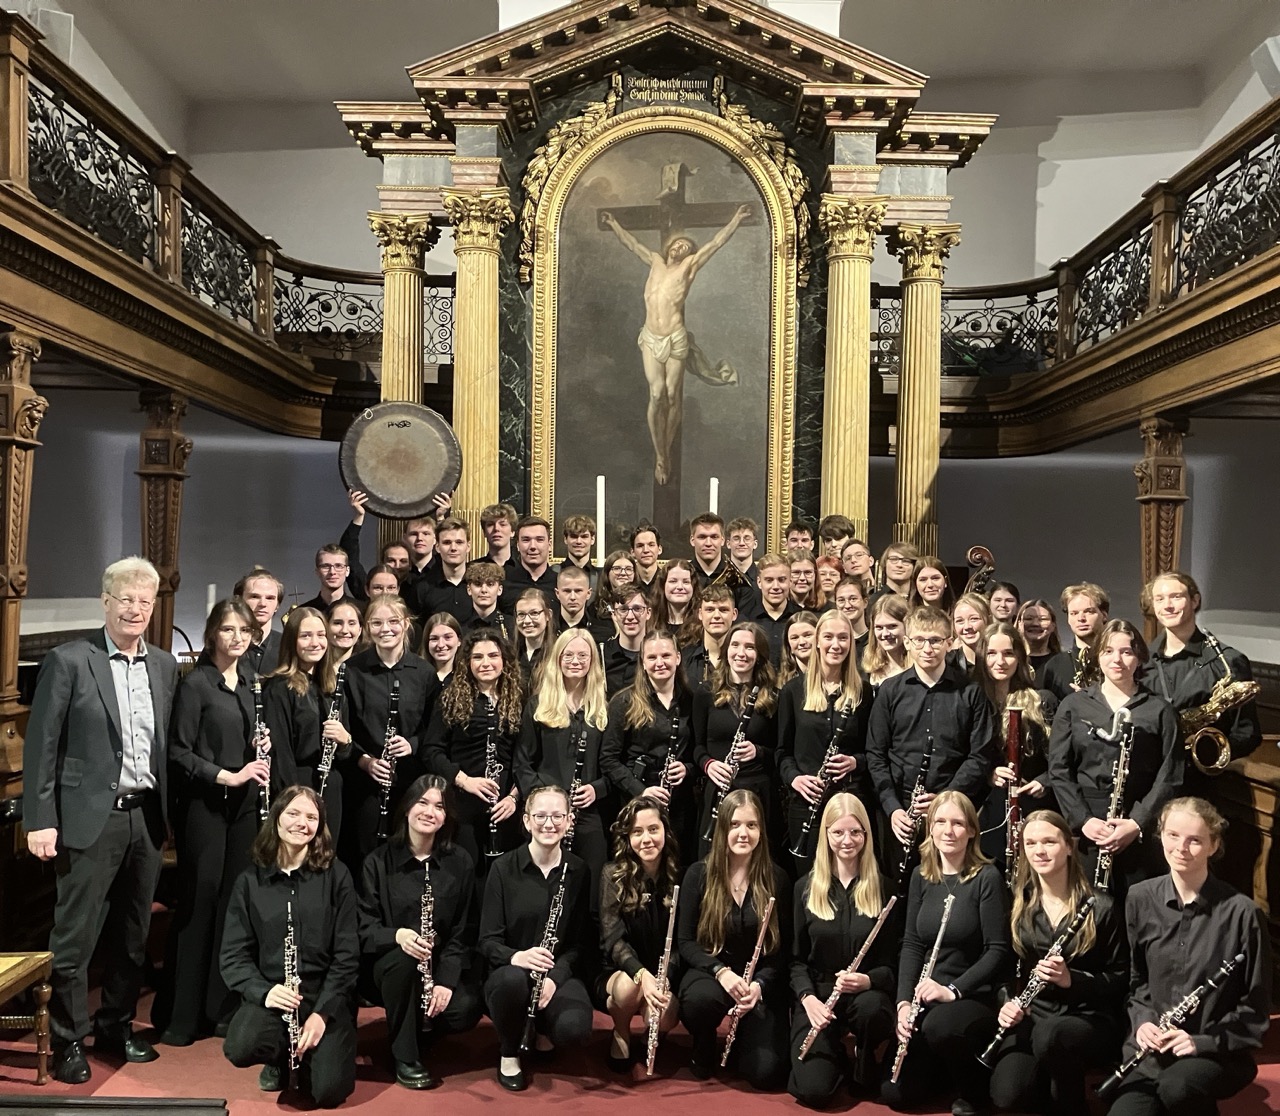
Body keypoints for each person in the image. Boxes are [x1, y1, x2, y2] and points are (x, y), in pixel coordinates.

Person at [23, 557, 177, 1083]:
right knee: (76, 936)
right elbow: (41, 745)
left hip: (145, 820)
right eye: (126, 599)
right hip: (89, 821)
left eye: (144, 601)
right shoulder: (70, 660)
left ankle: (115, 1026)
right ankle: (68, 1038)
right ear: (106, 602)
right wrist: (38, 819)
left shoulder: (163, 663)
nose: (135, 609)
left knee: (133, 934)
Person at [1107, 797, 1271, 1116]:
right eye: (1172, 835)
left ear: (1214, 845)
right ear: (1160, 836)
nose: (1181, 847)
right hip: (1151, 1050)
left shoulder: (1243, 913)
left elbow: (1256, 1006)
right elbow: (1136, 984)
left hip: (1216, 1051)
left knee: (1178, 1089)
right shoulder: (1139, 898)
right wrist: (1143, 1024)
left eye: (1195, 840)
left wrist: (1200, 1042)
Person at [157, 598, 267, 1047]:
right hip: (204, 807)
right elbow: (179, 752)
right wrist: (229, 774)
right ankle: (181, 1016)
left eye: (243, 630)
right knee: (199, 904)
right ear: (212, 634)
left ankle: (219, 1009)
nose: (236, 637)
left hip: (242, 809)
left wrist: (260, 748)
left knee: (231, 907)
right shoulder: (196, 684)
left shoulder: (249, 684)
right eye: (228, 629)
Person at [220, 785, 359, 1107]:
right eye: (293, 813)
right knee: (240, 1046)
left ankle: (317, 1052)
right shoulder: (250, 881)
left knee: (328, 1093)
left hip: (326, 995)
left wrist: (322, 1013)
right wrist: (264, 992)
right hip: (276, 993)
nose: (302, 823)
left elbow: (347, 955)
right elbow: (233, 955)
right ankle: (280, 1055)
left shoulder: (337, 875)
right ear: (276, 818)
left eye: (312, 817)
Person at [986, 810, 1126, 1114]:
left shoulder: (1101, 906)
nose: (1039, 850)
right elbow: (1003, 970)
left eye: (1049, 841)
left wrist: (1071, 980)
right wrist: (1007, 1000)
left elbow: (1120, 980)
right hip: (1035, 1015)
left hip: (1088, 1018)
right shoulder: (1017, 903)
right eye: (1031, 843)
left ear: (1068, 846)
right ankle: (1049, 1081)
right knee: (1008, 1095)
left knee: (1053, 1037)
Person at [600, 204, 753, 484]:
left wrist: (735, 220)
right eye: (678, 244)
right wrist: (613, 225)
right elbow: (632, 244)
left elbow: (716, 242)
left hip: (675, 337)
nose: (680, 248)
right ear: (669, 246)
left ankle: (663, 455)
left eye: (685, 246)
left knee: (672, 395)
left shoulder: (689, 267)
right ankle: (661, 453)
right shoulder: (655, 262)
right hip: (650, 336)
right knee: (656, 394)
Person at [882, 790, 1012, 1114]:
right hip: (927, 997)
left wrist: (952, 990)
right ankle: (944, 1067)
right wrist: (902, 1004)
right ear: (930, 827)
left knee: (940, 1027)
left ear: (971, 831)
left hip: (971, 995)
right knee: (895, 1095)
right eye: (940, 821)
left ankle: (974, 1088)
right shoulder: (921, 876)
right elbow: (912, 943)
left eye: (957, 823)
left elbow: (997, 951)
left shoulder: (987, 877)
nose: (948, 830)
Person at [357, 774, 483, 1090]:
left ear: (447, 816)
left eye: (439, 807)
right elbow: (364, 929)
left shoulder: (460, 862)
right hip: (388, 967)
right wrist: (397, 936)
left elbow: (461, 930)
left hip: (436, 969)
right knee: (402, 963)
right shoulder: (378, 861)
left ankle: (419, 1024)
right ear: (407, 807)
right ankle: (406, 1058)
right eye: (422, 802)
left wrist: (445, 981)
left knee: (464, 1010)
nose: (430, 812)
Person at [1047, 618, 1182, 897]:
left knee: (1139, 912)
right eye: (1108, 651)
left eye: (1126, 652)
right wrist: (1083, 820)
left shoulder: (1160, 710)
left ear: (1139, 657)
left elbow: (1171, 772)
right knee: (1089, 913)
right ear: (1098, 655)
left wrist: (1136, 822)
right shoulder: (1074, 705)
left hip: (1140, 826)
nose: (1117, 659)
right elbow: (1059, 769)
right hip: (1088, 829)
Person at [866, 606, 996, 891]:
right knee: (897, 893)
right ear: (908, 643)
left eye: (936, 640)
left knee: (948, 889)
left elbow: (979, 756)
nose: (928, 648)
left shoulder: (971, 692)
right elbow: (876, 754)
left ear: (950, 642)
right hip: (902, 811)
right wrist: (892, 809)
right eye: (920, 640)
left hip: (952, 813)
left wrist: (946, 799)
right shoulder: (890, 690)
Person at [478, 785, 593, 1090]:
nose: (549, 823)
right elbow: (487, 940)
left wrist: (555, 977)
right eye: (540, 815)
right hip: (510, 973)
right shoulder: (503, 868)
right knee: (511, 982)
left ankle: (542, 1027)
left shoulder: (579, 870)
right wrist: (517, 957)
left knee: (575, 1029)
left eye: (558, 816)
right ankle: (509, 1051)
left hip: (555, 974)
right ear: (527, 821)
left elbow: (580, 944)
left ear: (569, 821)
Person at [677, 788, 791, 1088]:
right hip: (712, 975)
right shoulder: (698, 875)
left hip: (758, 982)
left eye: (751, 825)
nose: (743, 833)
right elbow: (686, 942)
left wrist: (760, 985)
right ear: (722, 828)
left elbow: (782, 951)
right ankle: (703, 1041)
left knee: (766, 1074)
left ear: (761, 831)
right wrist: (721, 972)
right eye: (735, 824)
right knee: (699, 1002)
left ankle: (744, 1035)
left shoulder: (777, 879)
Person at [788, 793, 896, 1106]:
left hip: (865, 997)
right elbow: (795, 961)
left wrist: (869, 980)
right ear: (826, 835)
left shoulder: (885, 889)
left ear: (866, 835)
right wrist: (808, 999)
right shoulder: (804, 889)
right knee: (814, 1091)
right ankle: (834, 1051)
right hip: (819, 996)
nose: (847, 840)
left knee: (873, 1009)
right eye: (838, 832)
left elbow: (893, 962)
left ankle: (866, 1051)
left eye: (855, 832)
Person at [515, 631, 611, 905]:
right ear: (557, 659)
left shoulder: (603, 706)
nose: (575, 661)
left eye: (583, 655)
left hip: (587, 812)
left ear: (593, 660)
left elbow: (615, 762)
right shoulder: (538, 705)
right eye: (568, 655)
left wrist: (598, 788)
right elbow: (522, 763)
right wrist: (547, 799)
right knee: (544, 889)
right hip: (547, 815)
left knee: (592, 891)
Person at [1142, 570, 1262, 786]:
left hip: (1203, 784)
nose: (1167, 605)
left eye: (1176, 597)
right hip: (1149, 781)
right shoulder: (1141, 662)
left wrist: (1210, 751)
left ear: (1195, 600)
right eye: (1159, 599)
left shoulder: (1228, 661)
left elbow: (1248, 732)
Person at [340, 595, 431, 865]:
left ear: (406, 624)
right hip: (365, 782)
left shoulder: (423, 671)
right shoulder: (352, 670)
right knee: (366, 855)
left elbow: (435, 730)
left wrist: (413, 744)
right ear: (367, 627)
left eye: (393, 621)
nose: (386, 629)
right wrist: (365, 761)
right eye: (376, 623)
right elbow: (345, 729)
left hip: (410, 781)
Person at [778, 610, 870, 874]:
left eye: (843, 637)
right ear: (817, 640)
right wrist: (795, 778)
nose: (835, 644)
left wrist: (855, 762)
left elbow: (874, 752)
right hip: (806, 802)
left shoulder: (864, 692)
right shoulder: (793, 691)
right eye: (828, 636)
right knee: (807, 880)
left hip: (850, 800)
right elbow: (782, 752)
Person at [425, 629, 526, 867]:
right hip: (463, 804)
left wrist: (513, 797)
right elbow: (431, 751)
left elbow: (528, 756)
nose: (486, 663)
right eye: (477, 657)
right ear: (467, 662)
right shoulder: (451, 697)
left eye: (493, 655)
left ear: (504, 660)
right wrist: (465, 781)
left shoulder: (521, 698)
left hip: (507, 806)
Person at [598, 795, 683, 1072]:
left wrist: (664, 978)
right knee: (627, 988)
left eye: (653, 829)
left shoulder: (678, 877)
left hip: (662, 972)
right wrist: (642, 974)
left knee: (666, 1012)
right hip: (620, 970)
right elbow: (613, 939)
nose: (646, 839)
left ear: (664, 832)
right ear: (628, 838)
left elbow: (683, 942)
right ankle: (621, 1031)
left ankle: (653, 1032)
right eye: (637, 832)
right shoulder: (613, 875)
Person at [600, 630, 696, 853]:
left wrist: (687, 769)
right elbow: (608, 759)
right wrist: (641, 791)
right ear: (642, 662)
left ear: (678, 658)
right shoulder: (624, 702)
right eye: (652, 658)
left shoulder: (692, 700)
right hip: (636, 801)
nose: (659, 663)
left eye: (666, 656)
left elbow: (697, 753)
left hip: (679, 802)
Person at [264, 606, 350, 841]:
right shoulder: (279, 688)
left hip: (330, 787)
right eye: (306, 636)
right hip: (296, 789)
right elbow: (280, 754)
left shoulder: (332, 687)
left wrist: (345, 740)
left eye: (321, 635)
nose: (315, 642)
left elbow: (345, 754)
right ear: (292, 641)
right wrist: (295, 803)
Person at [693, 622, 779, 855]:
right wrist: (709, 765)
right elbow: (697, 747)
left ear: (759, 654)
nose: (741, 653)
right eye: (735, 645)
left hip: (758, 791)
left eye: (749, 647)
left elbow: (781, 752)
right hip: (719, 788)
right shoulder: (705, 692)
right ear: (726, 649)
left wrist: (758, 751)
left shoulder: (772, 695)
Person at [977, 621, 1058, 865]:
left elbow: (1060, 758)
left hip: (1032, 806)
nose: (1000, 661)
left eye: (1008, 653)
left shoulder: (1042, 700)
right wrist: (988, 774)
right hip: (987, 810)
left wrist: (1044, 781)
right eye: (991, 653)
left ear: (1020, 657)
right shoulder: (972, 701)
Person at [1042, 582, 1109, 699]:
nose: (1081, 618)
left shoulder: (1118, 660)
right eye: (1074, 613)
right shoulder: (1055, 665)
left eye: (1089, 611)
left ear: (1104, 615)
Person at [410, 516, 471, 623]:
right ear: (437, 547)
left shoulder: (480, 584)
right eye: (447, 542)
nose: (453, 548)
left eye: (459, 542)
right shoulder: (422, 587)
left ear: (468, 546)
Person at [741, 553, 798, 665]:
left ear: (790, 582)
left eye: (781, 580)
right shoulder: (746, 620)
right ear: (759, 582)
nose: (775, 586)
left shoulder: (801, 619)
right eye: (769, 580)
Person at [681, 584, 738, 690]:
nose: (716, 616)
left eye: (723, 610)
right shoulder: (684, 659)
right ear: (700, 614)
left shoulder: (743, 658)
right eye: (710, 610)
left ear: (734, 614)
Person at [601, 585, 651, 696]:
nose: (630, 616)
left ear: (648, 613)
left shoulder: (658, 657)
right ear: (614, 615)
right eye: (623, 610)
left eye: (637, 609)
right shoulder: (601, 656)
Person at [236, 566, 285, 674]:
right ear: (239, 601)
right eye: (254, 597)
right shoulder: (222, 645)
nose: (262, 604)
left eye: (270, 598)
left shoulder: (288, 646)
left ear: (277, 605)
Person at [505, 515, 557, 608]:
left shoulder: (560, 584)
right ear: (517, 545)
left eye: (539, 540)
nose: (533, 546)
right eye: (526, 540)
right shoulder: (504, 582)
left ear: (549, 545)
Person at [861, 593, 909, 691]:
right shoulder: (867, 668)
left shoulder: (920, 668)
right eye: (879, 627)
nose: (885, 633)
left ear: (907, 625)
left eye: (892, 626)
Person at [512, 587, 555, 685]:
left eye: (534, 613)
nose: (527, 621)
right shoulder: (511, 654)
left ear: (548, 615)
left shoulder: (558, 653)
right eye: (521, 614)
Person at [301, 545, 362, 614]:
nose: (332, 572)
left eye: (338, 566)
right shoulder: (303, 613)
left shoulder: (361, 611)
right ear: (317, 572)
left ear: (347, 571)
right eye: (326, 566)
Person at [1016, 598, 1065, 683]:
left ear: (1053, 626)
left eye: (1043, 619)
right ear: (1019, 624)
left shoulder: (1062, 663)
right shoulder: (1012, 661)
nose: (1035, 624)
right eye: (1029, 619)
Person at [652, 558, 700, 645]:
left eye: (686, 582)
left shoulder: (703, 624)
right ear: (663, 586)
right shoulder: (650, 623)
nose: (680, 587)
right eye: (673, 581)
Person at [461, 561, 512, 641]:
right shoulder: (460, 627)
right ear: (469, 589)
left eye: (490, 584)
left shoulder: (512, 625)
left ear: (500, 589)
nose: (484, 590)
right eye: (478, 584)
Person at [590, 549, 636, 632]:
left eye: (628, 569)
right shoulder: (595, 608)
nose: (623, 573)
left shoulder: (643, 605)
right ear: (607, 573)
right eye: (617, 568)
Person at [950, 592, 992, 674]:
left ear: (988, 620)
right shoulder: (948, 664)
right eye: (960, 621)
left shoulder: (999, 660)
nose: (967, 627)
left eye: (974, 619)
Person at [419, 611, 461, 692]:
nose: (441, 645)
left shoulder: (469, 677)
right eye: (434, 638)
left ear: (459, 640)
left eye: (448, 637)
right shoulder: (416, 675)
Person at [557, 513, 599, 591]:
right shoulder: (553, 574)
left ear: (592, 539)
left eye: (584, 537)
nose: (579, 541)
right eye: (574, 536)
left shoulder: (601, 578)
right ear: (565, 539)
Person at [776, 609, 818, 687]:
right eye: (795, 638)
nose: (802, 642)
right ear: (788, 645)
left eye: (807, 635)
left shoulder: (832, 679)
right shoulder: (780, 684)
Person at [832, 576, 870, 661]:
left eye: (853, 599)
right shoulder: (833, 643)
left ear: (865, 602)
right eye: (841, 600)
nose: (847, 605)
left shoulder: (875, 640)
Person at [689, 512, 731, 588]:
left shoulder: (736, 581)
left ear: (722, 540)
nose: (708, 543)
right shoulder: (682, 577)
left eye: (714, 537)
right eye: (702, 537)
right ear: (692, 540)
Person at [553, 563, 594, 634]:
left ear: (588, 593)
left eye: (578, 591)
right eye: (567, 591)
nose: (572, 597)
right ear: (557, 593)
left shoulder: (601, 630)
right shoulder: (546, 629)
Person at [476, 503, 518, 568]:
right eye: (490, 524)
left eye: (502, 524)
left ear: (512, 531)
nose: (496, 529)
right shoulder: (472, 570)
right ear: (484, 532)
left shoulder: (525, 569)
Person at [726, 516, 760, 588]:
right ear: (728, 544)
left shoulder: (763, 577)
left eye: (747, 538)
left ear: (755, 544)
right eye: (736, 538)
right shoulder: (719, 579)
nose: (741, 543)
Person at [326, 599, 363, 665]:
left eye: (351, 624)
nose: (344, 630)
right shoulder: (314, 668)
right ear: (326, 626)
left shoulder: (367, 670)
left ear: (360, 629)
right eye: (337, 623)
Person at [630, 523, 664, 589]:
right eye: (640, 546)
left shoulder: (667, 581)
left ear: (659, 549)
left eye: (651, 545)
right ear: (632, 552)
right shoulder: (627, 582)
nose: (646, 550)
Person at [788, 547, 821, 612]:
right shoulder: (780, 609)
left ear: (815, 574)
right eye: (796, 572)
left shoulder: (826, 609)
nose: (802, 578)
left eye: (808, 572)